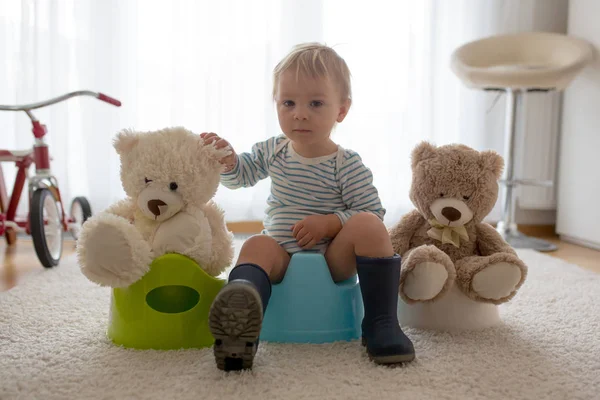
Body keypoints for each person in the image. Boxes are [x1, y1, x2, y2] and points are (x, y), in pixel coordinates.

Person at [201, 42, 414, 371]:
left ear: (341, 110)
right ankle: (242, 318)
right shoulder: (274, 150)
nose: (299, 113)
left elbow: (373, 212)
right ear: (276, 105)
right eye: (288, 102)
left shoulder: (346, 163)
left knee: (369, 226)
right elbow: (240, 176)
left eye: (315, 103)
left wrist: (331, 223)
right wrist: (227, 161)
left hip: (331, 260)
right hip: (280, 256)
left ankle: (381, 322)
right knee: (257, 244)